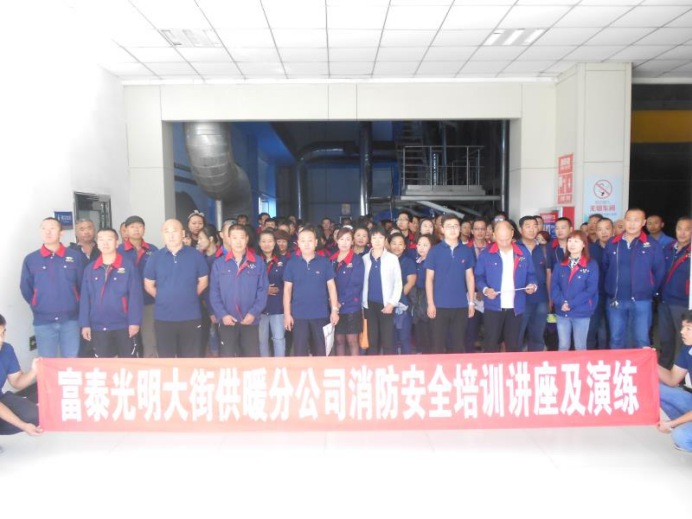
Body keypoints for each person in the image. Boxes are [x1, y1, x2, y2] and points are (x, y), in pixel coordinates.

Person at [20, 217, 85, 358]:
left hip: (71, 321)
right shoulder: (31, 259)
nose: (47, 232)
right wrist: (37, 303)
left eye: (52, 228)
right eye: (44, 228)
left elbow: (82, 286)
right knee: (47, 362)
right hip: (43, 321)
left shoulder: (75, 257)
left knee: (71, 362)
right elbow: (26, 288)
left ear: (61, 233)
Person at [144, 219, 209, 358]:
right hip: (164, 316)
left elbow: (203, 281)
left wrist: (190, 296)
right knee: (166, 358)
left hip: (191, 316)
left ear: (183, 233)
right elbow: (148, 285)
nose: (171, 235)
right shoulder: (155, 257)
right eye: (166, 231)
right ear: (162, 234)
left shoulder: (195, 255)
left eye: (175, 231)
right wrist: (163, 297)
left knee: (190, 357)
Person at [603, 208, 665, 349]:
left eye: (636, 220)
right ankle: (618, 363)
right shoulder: (612, 243)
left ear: (643, 222)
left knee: (641, 339)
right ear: (624, 221)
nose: (632, 223)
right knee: (616, 338)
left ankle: (639, 365)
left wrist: (649, 290)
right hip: (616, 299)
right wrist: (610, 287)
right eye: (629, 219)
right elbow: (605, 267)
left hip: (642, 301)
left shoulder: (652, 245)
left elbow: (659, 272)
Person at [78, 228, 143, 358]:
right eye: (101, 240)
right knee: (104, 365)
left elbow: (135, 297)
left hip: (124, 325)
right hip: (98, 326)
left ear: (117, 242)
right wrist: (85, 324)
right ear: (97, 243)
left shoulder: (128, 267)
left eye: (109, 239)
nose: (105, 243)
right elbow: (85, 299)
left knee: (127, 363)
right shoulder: (90, 269)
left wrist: (134, 322)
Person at [475, 221, 538, 353]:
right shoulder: (486, 254)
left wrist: (532, 285)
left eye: (507, 239)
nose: (504, 243)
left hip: (516, 307)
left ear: (512, 233)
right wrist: (486, 290)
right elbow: (479, 277)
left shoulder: (523, 253)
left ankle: (511, 366)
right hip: (493, 306)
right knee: (491, 343)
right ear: (494, 235)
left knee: (513, 344)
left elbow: (532, 274)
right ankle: (491, 365)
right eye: (500, 240)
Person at [210, 224, 268, 358]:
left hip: (250, 320)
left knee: (251, 357)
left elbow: (262, 291)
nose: (238, 241)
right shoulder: (219, 264)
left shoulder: (258, 262)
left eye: (241, 237)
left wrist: (253, 313)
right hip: (227, 320)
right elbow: (214, 292)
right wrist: (223, 314)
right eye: (234, 238)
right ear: (229, 239)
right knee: (228, 357)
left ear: (247, 239)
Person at [283, 226, 339, 357]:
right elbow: (287, 290)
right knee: (300, 351)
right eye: (303, 240)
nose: (307, 244)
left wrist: (334, 310)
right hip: (299, 315)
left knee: (321, 351)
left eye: (310, 240)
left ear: (316, 242)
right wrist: (287, 314)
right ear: (298, 243)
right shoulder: (292, 263)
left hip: (320, 314)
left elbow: (332, 287)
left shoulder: (324, 262)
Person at [425, 215, 476, 354]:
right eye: (449, 226)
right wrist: (430, 303)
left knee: (458, 344)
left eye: (455, 226)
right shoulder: (434, 251)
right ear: (442, 229)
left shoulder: (466, 250)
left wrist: (471, 302)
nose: (452, 229)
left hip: (460, 305)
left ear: (460, 229)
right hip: (439, 305)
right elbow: (429, 278)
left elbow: (470, 277)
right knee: (438, 344)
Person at [117, 215, 159, 358]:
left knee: (150, 338)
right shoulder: (119, 251)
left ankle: (150, 366)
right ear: (126, 230)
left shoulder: (153, 250)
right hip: (126, 303)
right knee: (128, 340)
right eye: (132, 227)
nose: (136, 229)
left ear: (144, 229)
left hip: (149, 302)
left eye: (139, 226)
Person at [551, 230, 599, 351]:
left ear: (583, 244)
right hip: (562, 311)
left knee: (580, 346)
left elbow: (591, 289)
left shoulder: (591, 265)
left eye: (576, 241)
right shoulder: (560, 265)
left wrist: (570, 304)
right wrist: (561, 302)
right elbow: (554, 287)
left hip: (581, 311)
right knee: (563, 346)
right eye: (570, 241)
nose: (572, 244)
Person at [0, 315, 42, 443]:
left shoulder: (6, 349)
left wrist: (34, 370)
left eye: (2, 333)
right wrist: (23, 425)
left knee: (35, 416)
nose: (1, 339)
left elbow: (17, 381)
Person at [362, 226, 402, 355]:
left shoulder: (392, 258)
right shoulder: (364, 259)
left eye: (380, 237)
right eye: (374, 237)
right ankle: (374, 366)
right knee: (372, 341)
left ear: (385, 239)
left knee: (387, 341)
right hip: (369, 305)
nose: (377, 240)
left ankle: (388, 366)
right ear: (370, 240)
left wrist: (392, 303)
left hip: (386, 305)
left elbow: (398, 283)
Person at [658, 216, 692, 369]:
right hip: (664, 301)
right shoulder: (668, 247)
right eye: (679, 228)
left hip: (682, 303)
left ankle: (681, 374)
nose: (682, 233)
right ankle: (665, 370)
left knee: (682, 340)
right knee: (665, 338)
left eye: (687, 229)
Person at [656, 310, 692, 452]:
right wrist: (650, 360)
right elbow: (672, 379)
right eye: (683, 327)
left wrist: (671, 424)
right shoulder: (688, 349)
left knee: (680, 436)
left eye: (688, 328)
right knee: (655, 389)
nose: (682, 332)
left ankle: (683, 428)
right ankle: (685, 425)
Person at [518, 216, 551, 352]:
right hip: (520, 298)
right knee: (517, 334)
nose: (532, 229)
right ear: (520, 229)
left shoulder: (544, 249)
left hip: (541, 298)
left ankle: (535, 361)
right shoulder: (514, 248)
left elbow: (549, 274)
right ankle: (516, 361)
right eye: (528, 226)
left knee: (537, 334)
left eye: (534, 226)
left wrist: (550, 298)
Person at [330, 228, 365, 356]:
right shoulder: (331, 259)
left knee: (352, 340)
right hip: (334, 307)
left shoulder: (357, 260)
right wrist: (333, 302)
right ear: (337, 241)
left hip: (351, 306)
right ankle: (340, 367)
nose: (344, 242)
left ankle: (354, 367)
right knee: (339, 340)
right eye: (341, 239)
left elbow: (356, 285)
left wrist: (341, 302)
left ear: (352, 242)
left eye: (348, 239)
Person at [258, 230, 286, 358]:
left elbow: (289, 285)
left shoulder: (284, 261)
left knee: (278, 338)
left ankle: (279, 366)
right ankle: (264, 365)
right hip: (259, 307)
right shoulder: (254, 261)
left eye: (270, 241)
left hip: (278, 306)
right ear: (259, 243)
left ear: (275, 243)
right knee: (261, 340)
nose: (267, 244)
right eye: (263, 241)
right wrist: (265, 289)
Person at [587, 217, 614, 350]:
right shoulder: (589, 250)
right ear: (595, 232)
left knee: (612, 329)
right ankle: (589, 357)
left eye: (607, 229)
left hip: (614, 296)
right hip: (595, 295)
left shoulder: (619, 248)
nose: (603, 232)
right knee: (591, 328)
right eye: (600, 229)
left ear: (613, 230)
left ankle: (609, 357)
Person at [197, 224, 223, 357]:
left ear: (211, 239)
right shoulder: (198, 258)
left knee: (221, 339)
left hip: (220, 305)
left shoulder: (222, 257)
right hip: (202, 305)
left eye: (201, 238)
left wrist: (213, 310)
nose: (198, 242)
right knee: (203, 338)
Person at [389, 233, 416, 355]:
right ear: (389, 245)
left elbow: (411, 282)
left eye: (400, 244)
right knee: (391, 340)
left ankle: (407, 364)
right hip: (387, 305)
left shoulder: (408, 262)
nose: (397, 247)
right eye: (394, 243)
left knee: (404, 338)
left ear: (405, 246)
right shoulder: (385, 261)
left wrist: (396, 299)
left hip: (403, 305)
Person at [465, 218, 489, 353]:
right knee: (470, 330)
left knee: (491, 332)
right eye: (477, 229)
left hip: (489, 294)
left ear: (487, 231)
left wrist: (484, 289)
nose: (480, 232)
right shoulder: (465, 249)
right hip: (470, 296)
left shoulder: (494, 248)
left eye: (482, 229)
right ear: (472, 231)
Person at [410, 234, 435, 354]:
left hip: (428, 298)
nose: (421, 247)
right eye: (419, 244)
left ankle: (428, 355)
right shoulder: (416, 261)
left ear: (432, 247)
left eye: (425, 245)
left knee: (428, 330)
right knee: (419, 328)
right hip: (417, 299)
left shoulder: (433, 262)